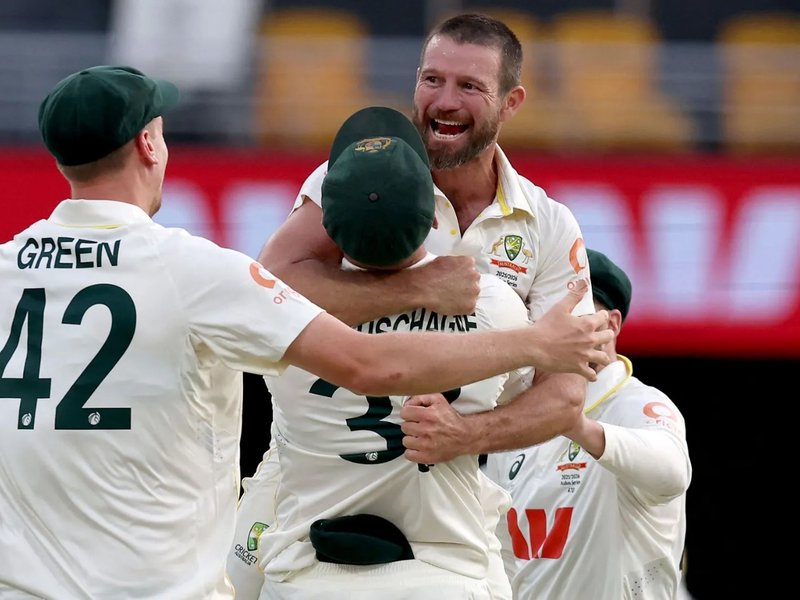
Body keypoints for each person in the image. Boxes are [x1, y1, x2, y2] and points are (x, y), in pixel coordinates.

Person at [0, 65, 613, 599]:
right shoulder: (201, 273)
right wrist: (534, 343)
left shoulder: (5, 268)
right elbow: (373, 365)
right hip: (164, 585)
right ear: (149, 145)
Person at [258, 11, 594, 468]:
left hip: (463, 499)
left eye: (470, 87)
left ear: (511, 102)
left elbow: (565, 396)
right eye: (433, 80)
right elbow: (271, 287)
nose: (446, 102)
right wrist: (418, 288)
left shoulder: (550, 223)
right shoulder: (361, 176)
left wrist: (463, 435)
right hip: (322, 481)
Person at [236, 106, 533, 599]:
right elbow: (525, 395)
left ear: (327, 222)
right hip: (446, 576)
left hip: (309, 575)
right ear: (430, 213)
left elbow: (272, 281)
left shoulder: (284, 319)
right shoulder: (497, 308)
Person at [483, 249, 692, 600]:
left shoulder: (637, 405)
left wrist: (576, 425)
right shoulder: (518, 415)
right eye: (538, 314)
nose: (550, 330)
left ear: (610, 325)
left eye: (570, 313)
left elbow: (672, 472)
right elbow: (501, 556)